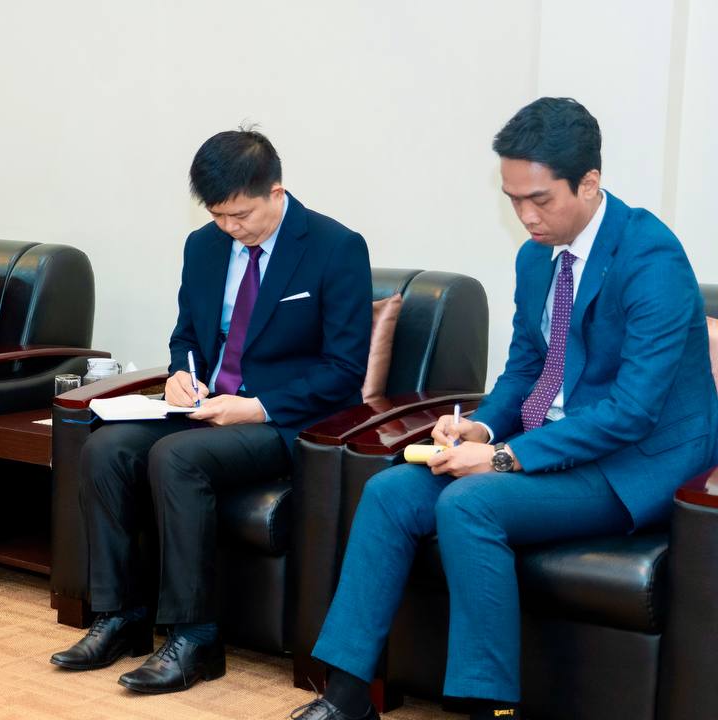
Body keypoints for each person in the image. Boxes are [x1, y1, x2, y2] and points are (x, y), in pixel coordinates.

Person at [293, 98, 718, 720]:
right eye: (513, 199)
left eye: (539, 200)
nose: (525, 217)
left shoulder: (652, 259)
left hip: (632, 463)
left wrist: (501, 456)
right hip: (553, 443)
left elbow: (632, 411)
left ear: (589, 182)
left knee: (470, 502)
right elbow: (526, 369)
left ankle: (492, 710)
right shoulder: (535, 257)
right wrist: (481, 424)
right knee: (388, 493)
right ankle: (348, 694)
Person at [50, 128, 372, 693]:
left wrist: (257, 407)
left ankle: (196, 637)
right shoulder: (203, 246)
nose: (230, 228)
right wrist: (181, 374)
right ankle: (121, 616)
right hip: (204, 408)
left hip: (285, 420)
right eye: (218, 215)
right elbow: (186, 335)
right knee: (105, 448)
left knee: (177, 459)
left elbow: (344, 369)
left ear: (276, 192)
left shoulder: (335, 247)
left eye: (240, 215)